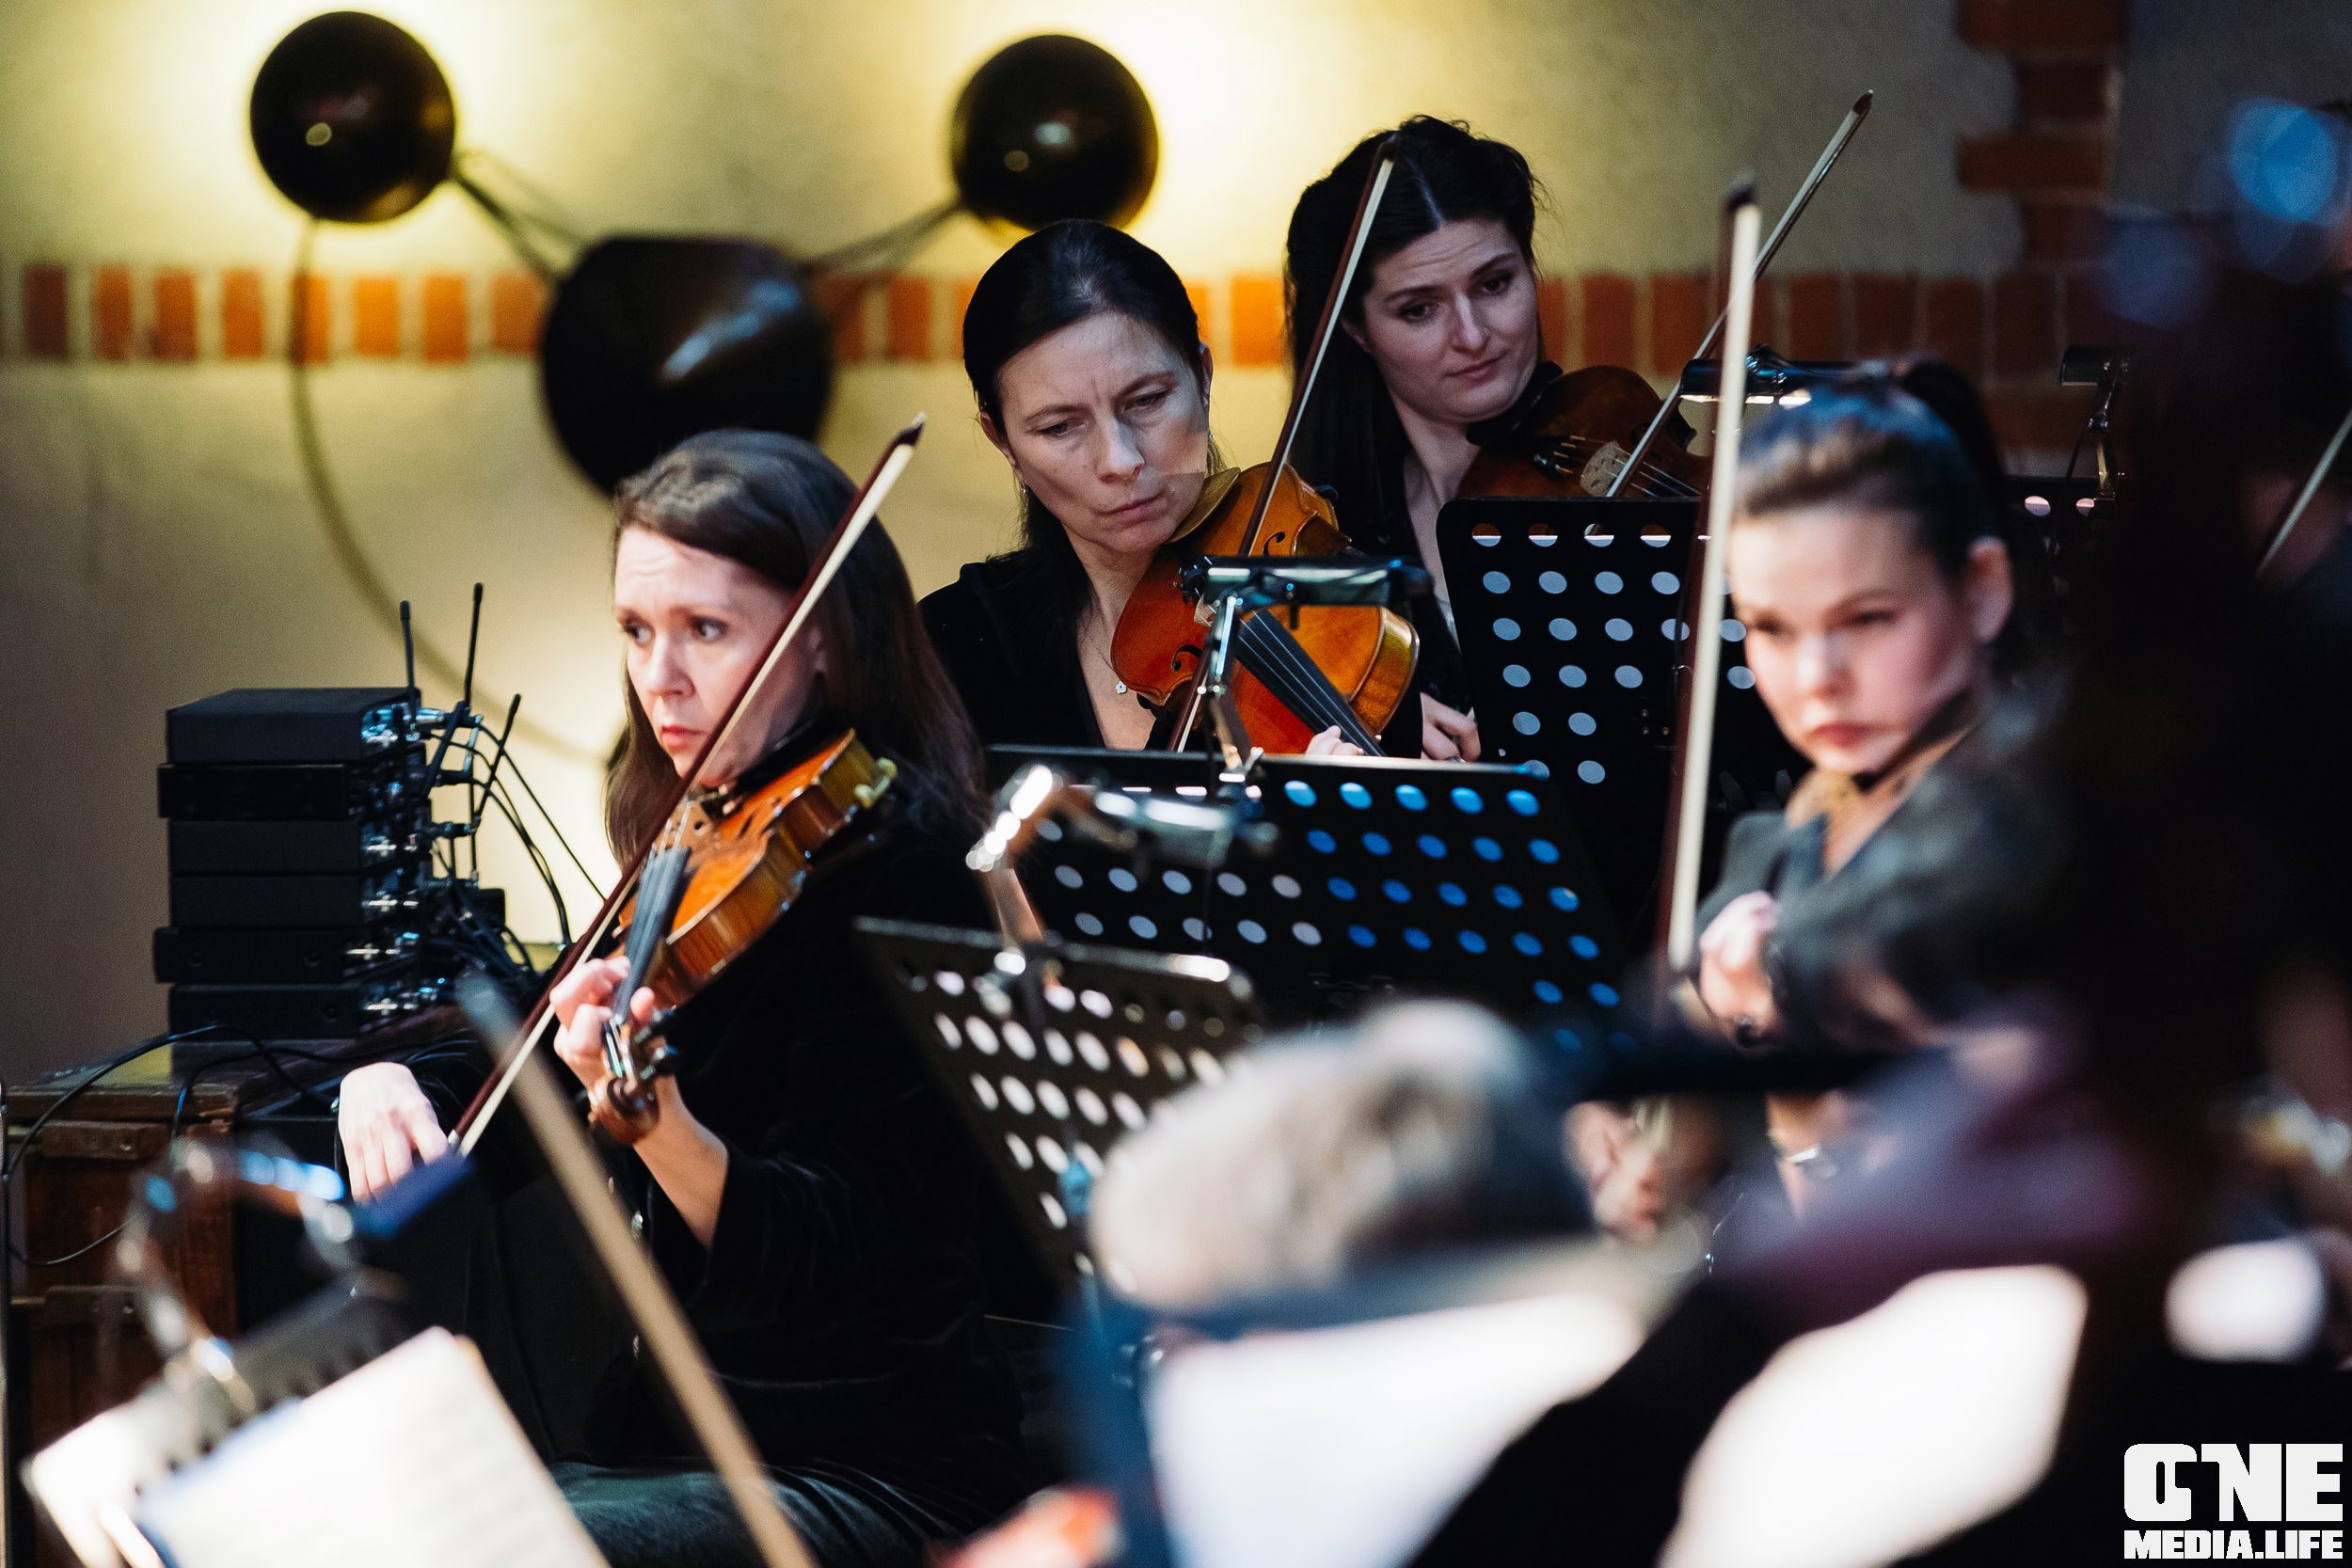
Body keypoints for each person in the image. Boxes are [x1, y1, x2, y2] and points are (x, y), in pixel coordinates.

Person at [337, 430, 1027, 1568]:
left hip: (869, 1458)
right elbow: (532, 1045)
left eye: (707, 630)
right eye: (637, 630)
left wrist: (661, 1130)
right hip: (666, 1434)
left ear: (818, 643)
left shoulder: (901, 860)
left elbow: (834, 1251)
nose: (661, 677)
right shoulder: (697, 822)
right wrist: (391, 1075)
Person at [922, 220, 1366, 758]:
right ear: (1004, 441)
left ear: (1202, 377)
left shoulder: (1339, 622)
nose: (1120, 460)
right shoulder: (957, 647)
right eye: (1059, 427)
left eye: (1147, 400)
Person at [1284, 118, 1565, 762]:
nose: (1472, 335)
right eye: (1419, 308)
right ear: (1355, 328)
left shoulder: (1625, 492)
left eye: (1495, 284)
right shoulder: (1332, 541)